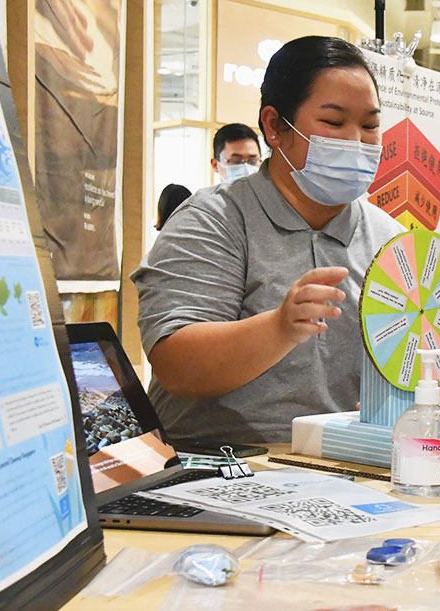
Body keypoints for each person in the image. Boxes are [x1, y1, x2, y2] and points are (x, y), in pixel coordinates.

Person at [132, 36, 404, 443]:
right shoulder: (213, 220)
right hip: (221, 467)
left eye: (370, 125)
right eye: (333, 122)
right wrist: (279, 327)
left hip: (345, 469)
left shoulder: (390, 239)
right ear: (275, 126)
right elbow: (175, 364)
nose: (356, 141)